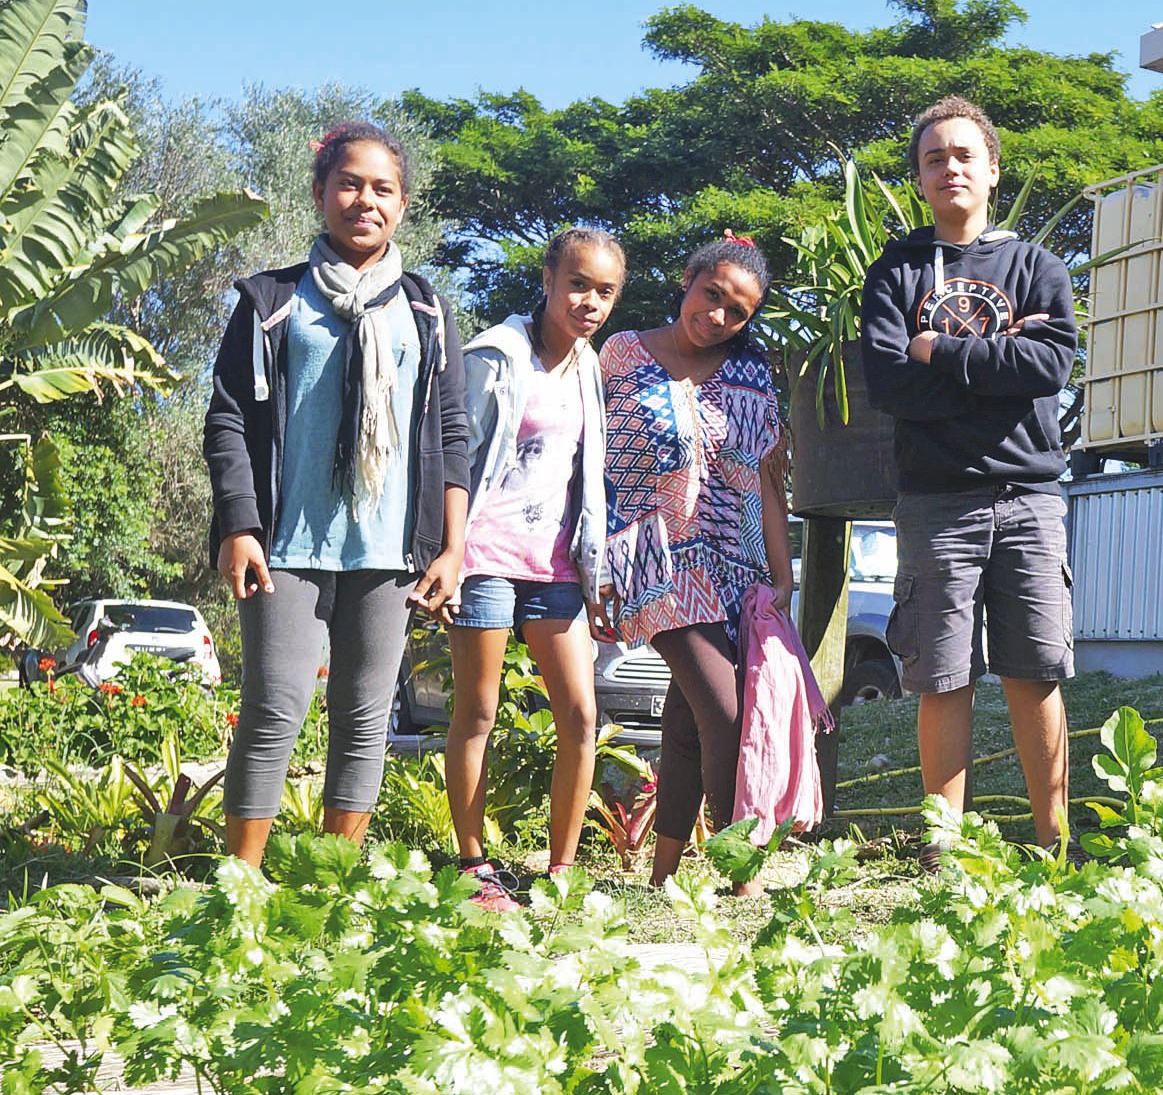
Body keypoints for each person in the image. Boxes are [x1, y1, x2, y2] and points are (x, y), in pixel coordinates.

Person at [203, 121, 469, 868]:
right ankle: (241, 888)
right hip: (285, 541)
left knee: (363, 717)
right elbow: (226, 420)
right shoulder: (269, 301)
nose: (365, 200)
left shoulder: (425, 310)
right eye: (349, 184)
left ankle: (329, 881)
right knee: (273, 708)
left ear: (403, 204)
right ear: (320, 193)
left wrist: (451, 546)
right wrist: (239, 526)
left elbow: (453, 432)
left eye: (383, 188)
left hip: (391, 549)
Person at [860, 96, 1079, 858]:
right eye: (933, 158)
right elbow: (889, 386)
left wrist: (939, 352)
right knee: (941, 676)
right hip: (934, 502)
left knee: (1036, 671)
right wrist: (995, 364)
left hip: (1028, 497)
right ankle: (943, 853)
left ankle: (1053, 845)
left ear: (991, 170)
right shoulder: (893, 272)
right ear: (919, 179)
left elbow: (1048, 367)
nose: (948, 167)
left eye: (962, 156)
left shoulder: (1035, 267)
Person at [599, 235, 794, 890]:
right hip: (648, 557)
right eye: (711, 295)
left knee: (687, 719)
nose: (716, 316)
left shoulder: (751, 376)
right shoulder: (621, 354)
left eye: (736, 312)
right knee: (726, 712)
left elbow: (764, 479)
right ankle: (741, 875)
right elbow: (586, 464)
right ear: (687, 281)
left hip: (731, 564)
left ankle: (660, 879)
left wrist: (782, 572)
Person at [444, 228, 624, 909]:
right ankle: (472, 867)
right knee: (478, 711)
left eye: (604, 291)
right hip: (484, 558)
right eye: (577, 284)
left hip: (555, 568)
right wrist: (446, 551)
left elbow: (587, 480)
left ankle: (561, 870)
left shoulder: (589, 370)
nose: (589, 302)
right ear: (547, 280)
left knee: (580, 714)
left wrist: (596, 567)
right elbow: (454, 456)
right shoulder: (494, 356)